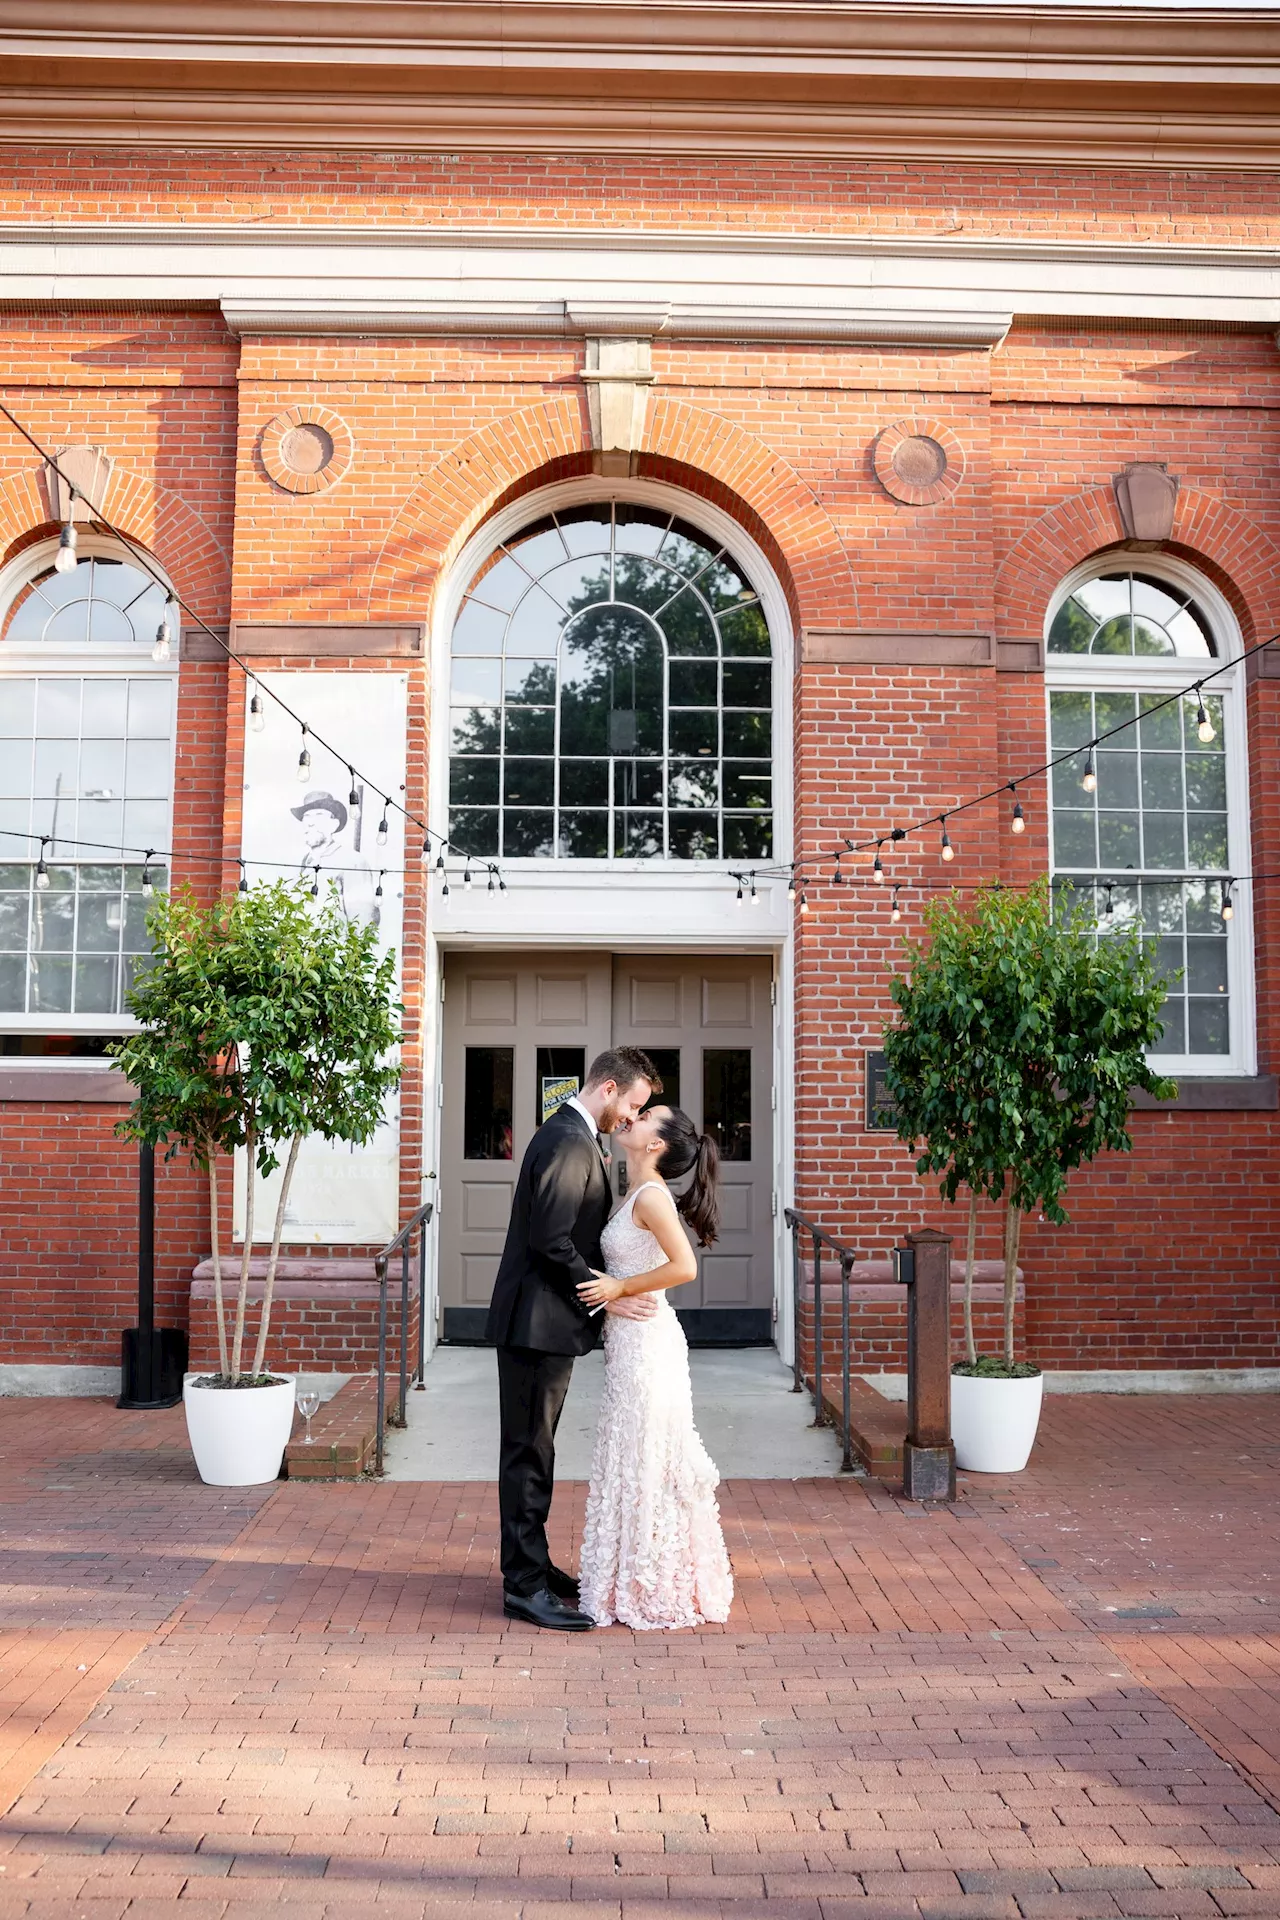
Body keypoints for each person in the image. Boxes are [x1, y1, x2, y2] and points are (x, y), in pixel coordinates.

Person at [486, 1046, 659, 1632]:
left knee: (538, 1449)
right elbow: (551, 1240)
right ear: (608, 1087)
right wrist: (607, 1291)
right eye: (633, 1105)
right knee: (528, 1452)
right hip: (535, 1325)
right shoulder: (565, 1140)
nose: (632, 1120)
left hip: (547, 1323)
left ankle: (533, 1567)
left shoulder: (572, 1134)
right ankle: (523, 1586)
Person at [576, 1107, 734, 1630]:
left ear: (656, 1145)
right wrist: (612, 1293)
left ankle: (657, 1584)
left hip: (650, 1346)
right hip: (628, 1342)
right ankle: (631, 1577)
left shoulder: (650, 1197)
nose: (633, 1118)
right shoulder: (633, 1191)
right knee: (632, 1453)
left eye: (646, 1118)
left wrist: (619, 1288)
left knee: (648, 1456)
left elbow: (683, 1266)